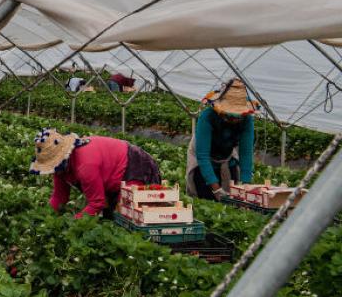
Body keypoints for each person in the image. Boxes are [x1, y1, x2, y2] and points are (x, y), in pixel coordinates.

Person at [30, 128, 161, 219]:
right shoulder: (60, 168)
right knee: (112, 215)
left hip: (135, 165)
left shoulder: (85, 165)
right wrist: (44, 216)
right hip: (110, 172)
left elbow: (97, 202)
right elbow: (60, 197)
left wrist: (75, 222)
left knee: (128, 215)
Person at [186, 78, 256, 201]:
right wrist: (216, 189)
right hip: (203, 158)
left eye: (238, 117)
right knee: (206, 198)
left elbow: (246, 154)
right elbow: (202, 156)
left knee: (234, 198)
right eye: (230, 115)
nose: (234, 120)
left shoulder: (247, 120)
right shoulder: (207, 117)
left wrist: (246, 186)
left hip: (227, 157)